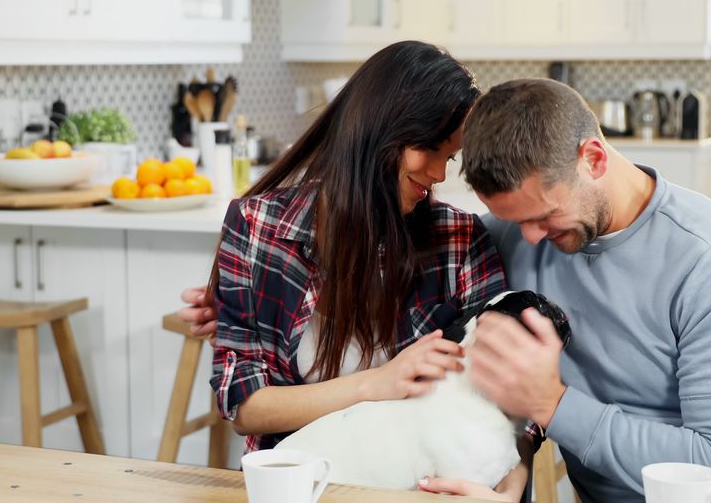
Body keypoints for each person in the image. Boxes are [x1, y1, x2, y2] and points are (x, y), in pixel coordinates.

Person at [441, 78, 711, 502]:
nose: (531, 238)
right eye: (516, 219)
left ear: (592, 159)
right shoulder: (514, 236)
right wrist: (515, 461)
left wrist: (553, 405)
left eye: (545, 216)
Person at [191, 40, 529, 500]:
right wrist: (377, 384)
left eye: (449, 157)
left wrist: (511, 490)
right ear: (379, 130)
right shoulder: (256, 228)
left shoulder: (459, 239)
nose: (438, 174)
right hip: (300, 487)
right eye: (429, 148)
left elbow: (509, 404)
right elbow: (242, 405)